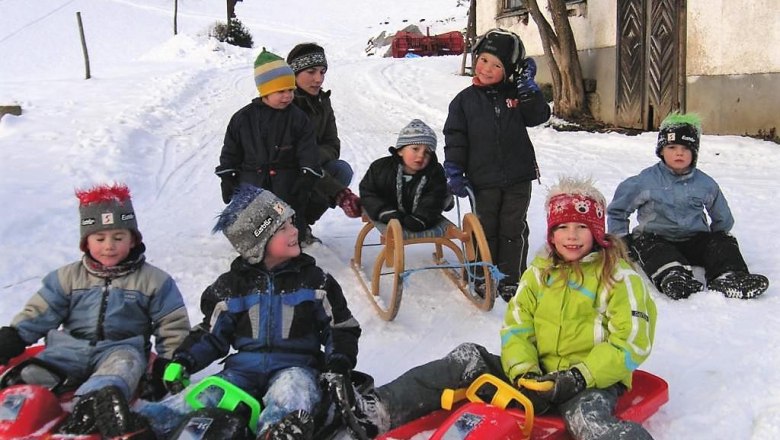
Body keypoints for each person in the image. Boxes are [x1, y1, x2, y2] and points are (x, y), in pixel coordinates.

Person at [333, 177, 657, 440]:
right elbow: (518, 327)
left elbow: (631, 342)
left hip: (587, 382)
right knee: (466, 357)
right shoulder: (540, 273)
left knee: (589, 421)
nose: (571, 236)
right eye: (562, 228)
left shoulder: (618, 278)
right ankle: (377, 410)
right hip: (535, 373)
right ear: (552, 233)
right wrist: (523, 371)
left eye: (581, 227)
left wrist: (577, 376)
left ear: (597, 232)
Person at [101, 186, 361, 439]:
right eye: (283, 228)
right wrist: (184, 360)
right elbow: (211, 334)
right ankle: (144, 424)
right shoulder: (231, 287)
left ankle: (277, 431)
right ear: (258, 243)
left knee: (292, 392)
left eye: (292, 223)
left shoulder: (315, 281)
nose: (295, 231)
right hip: (242, 371)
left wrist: (338, 361)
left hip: (297, 366)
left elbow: (340, 327)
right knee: (206, 393)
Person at [0, 183, 191, 438]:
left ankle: (94, 405)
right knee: (31, 375)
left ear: (133, 239)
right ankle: (20, 404)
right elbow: (41, 310)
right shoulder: (67, 278)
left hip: (120, 348)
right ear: (85, 243)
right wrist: (15, 334)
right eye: (99, 239)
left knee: (123, 368)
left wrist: (170, 361)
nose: (109, 246)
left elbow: (172, 324)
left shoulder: (154, 281)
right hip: (68, 350)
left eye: (118, 237)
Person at [607, 112, 769, 300]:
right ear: (661, 151)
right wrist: (622, 240)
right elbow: (618, 210)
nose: (679, 153)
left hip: (694, 239)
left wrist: (718, 241)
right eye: (672, 147)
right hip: (657, 238)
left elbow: (722, 216)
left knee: (724, 241)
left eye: (686, 148)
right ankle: (673, 276)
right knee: (647, 246)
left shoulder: (705, 184)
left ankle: (729, 276)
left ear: (695, 152)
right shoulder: (644, 182)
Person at [442, 28, 551, 301]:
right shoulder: (463, 102)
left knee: (513, 227)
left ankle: (511, 278)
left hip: (518, 177)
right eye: (483, 60)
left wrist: (528, 88)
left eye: (497, 65)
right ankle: (483, 275)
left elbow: (538, 115)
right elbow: (455, 138)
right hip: (481, 179)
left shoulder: (516, 94)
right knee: (485, 228)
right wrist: (454, 169)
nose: (487, 69)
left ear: (509, 69)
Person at [215, 48, 323, 244]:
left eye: (290, 90)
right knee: (255, 222)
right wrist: (227, 175)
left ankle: (292, 243)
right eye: (280, 91)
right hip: (252, 182)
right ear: (265, 91)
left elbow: (308, 149)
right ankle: (254, 244)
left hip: (286, 182)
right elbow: (231, 150)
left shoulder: (298, 118)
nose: (287, 96)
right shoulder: (243, 119)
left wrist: (307, 175)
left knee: (287, 218)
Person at [287, 42, 362, 245]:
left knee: (341, 170)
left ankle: (301, 224)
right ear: (294, 73)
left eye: (322, 72)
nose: (318, 79)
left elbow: (332, 144)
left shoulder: (322, 103)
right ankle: (284, 224)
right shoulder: (284, 103)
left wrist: (312, 158)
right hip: (284, 173)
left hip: (312, 166)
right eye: (311, 72)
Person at [359, 119, 451, 232]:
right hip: (389, 212)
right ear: (400, 150)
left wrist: (421, 218)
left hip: (421, 215)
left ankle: (426, 214)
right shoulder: (380, 168)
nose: (421, 155)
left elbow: (433, 198)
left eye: (427, 152)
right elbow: (368, 192)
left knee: (443, 193)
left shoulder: (434, 172)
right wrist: (384, 211)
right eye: (415, 149)